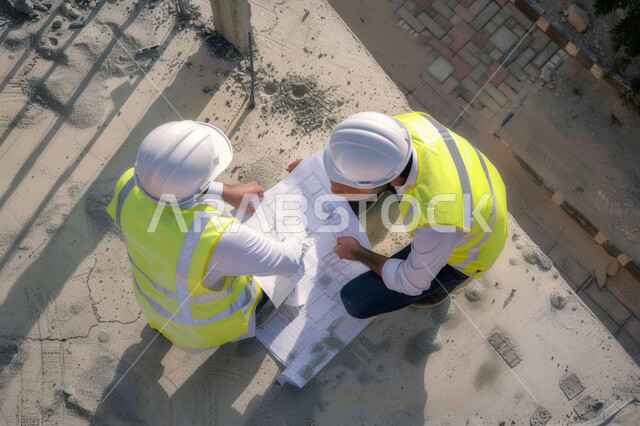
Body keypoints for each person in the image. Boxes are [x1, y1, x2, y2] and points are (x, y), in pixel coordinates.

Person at [288, 111, 507, 319]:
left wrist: (357, 252)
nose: (333, 188)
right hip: (475, 181)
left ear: (382, 179)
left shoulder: (438, 218)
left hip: (469, 253)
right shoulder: (396, 130)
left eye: (345, 182)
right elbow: (354, 146)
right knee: (347, 197)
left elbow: (411, 282)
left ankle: (448, 286)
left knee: (355, 301)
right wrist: (315, 167)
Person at [107, 120, 304, 351]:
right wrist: (299, 232)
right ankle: (252, 324)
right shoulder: (216, 238)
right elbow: (289, 261)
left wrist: (224, 190)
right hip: (205, 330)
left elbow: (168, 190)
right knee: (280, 286)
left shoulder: (128, 183)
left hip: (152, 303)